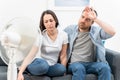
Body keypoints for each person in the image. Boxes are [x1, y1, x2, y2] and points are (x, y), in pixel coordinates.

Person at [64, 6, 116, 80]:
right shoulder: (69, 29)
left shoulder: (96, 32)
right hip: (75, 64)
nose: (83, 20)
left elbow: (112, 32)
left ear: (92, 23)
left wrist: (95, 18)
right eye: (82, 17)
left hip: (91, 64)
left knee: (105, 67)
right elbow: (58, 39)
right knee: (79, 68)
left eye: (87, 19)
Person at [17, 10, 68, 80]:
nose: (49, 23)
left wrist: (63, 72)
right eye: (46, 22)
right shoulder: (41, 36)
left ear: (55, 20)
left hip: (52, 66)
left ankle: (38, 72)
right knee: (44, 66)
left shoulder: (63, 35)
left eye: (51, 20)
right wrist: (20, 73)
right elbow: (31, 55)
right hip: (39, 63)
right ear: (43, 24)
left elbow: (63, 55)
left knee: (62, 69)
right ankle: (28, 69)